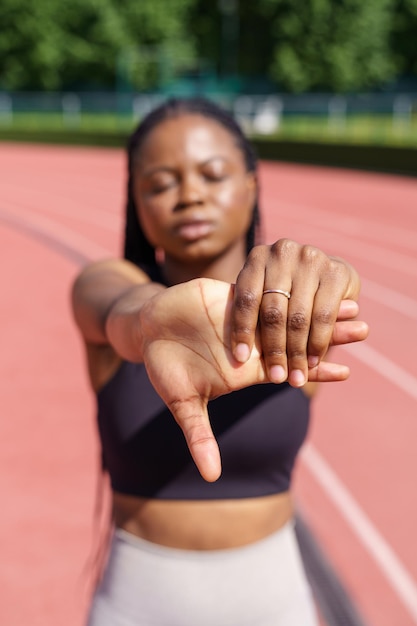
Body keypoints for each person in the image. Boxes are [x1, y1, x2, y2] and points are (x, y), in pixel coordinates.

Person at [71, 97, 368, 626]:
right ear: (136, 202)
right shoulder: (107, 287)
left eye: (212, 175)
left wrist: (326, 274)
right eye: (160, 184)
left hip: (275, 604)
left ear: (252, 184)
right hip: (135, 606)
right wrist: (147, 320)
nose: (189, 196)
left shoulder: (292, 319)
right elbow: (110, 303)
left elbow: (330, 284)